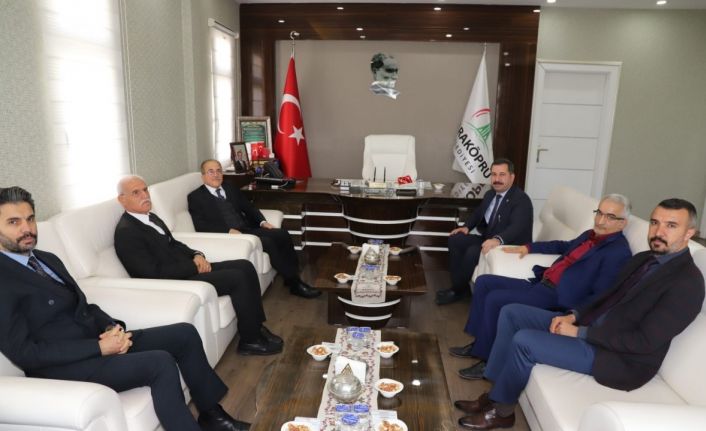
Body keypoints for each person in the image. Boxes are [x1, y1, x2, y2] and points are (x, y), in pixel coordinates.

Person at [0, 186, 251, 431]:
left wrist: (112, 327)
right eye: (13, 222)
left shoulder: (47, 259)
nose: (27, 229)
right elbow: (25, 353)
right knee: (159, 362)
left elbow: (84, 305)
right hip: (65, 366)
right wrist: (98, 347)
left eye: (30, 219)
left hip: (97, 340)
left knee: (184, 333)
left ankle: (212, 415)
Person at [453, 198, 704, 430]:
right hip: (592, 326)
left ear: (689, 233)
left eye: (671, 226)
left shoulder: (687, 284)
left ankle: (502, 412)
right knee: (512, 313)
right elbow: (605, 297)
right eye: (655, 223)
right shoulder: (644, 259)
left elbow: (643, 342)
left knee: (525, 341)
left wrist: (580, 333)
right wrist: (574, 315)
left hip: (619, 358)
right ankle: (494, 395)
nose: (659, 232)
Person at [450, 194, 632, 380]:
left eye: (610, 217)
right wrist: (529, 248)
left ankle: (487, 361)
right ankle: (479, 345)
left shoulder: (617, 252)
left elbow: (601, 296)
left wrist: (574, 315)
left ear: (622, 223)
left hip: (557, 296)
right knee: (484, 282)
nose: (600, 221)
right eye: (599, 213)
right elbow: (564, 246)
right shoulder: (590, 235)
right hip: (541, 283)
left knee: (496, 299)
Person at [114, 175, 283, 356]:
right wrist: (194, 267)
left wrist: (196, 254)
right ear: (122, 199)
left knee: (245, 266)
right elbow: (151, 273)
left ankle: (255, 326)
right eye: (136, 192)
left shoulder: (151, 217)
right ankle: (250, 341)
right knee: (237, 277)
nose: (144, 195)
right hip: (174, 281)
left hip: (188, 268)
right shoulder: (127, 232)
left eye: (145, 189)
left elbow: (174, 243)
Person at [187, 159, 321, 299]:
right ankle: (295, 284)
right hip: (229, 237)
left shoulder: (229, 187)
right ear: (203, 176)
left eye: (218, 171)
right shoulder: (195, 197)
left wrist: (262, 222)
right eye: (211, 172)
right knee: (267, 242)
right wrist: (227, 231)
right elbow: (201, 225)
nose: (216, 174)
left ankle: (293, 276)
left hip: (246, 228)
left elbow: (248, 207)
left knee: (282, 234)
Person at [436, 158, 533, 305]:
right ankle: (461, 288)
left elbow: (516, 227)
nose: (497, 179)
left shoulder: (521, 200)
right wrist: (466, 227)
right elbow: (478, 212)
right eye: (494, 174)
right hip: (488, 239)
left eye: (502, 175)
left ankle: (457, 290)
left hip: (508, 245)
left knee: (472, 252)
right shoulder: (490, 194)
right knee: (455, 238)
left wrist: (497, 239)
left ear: (512, 177)